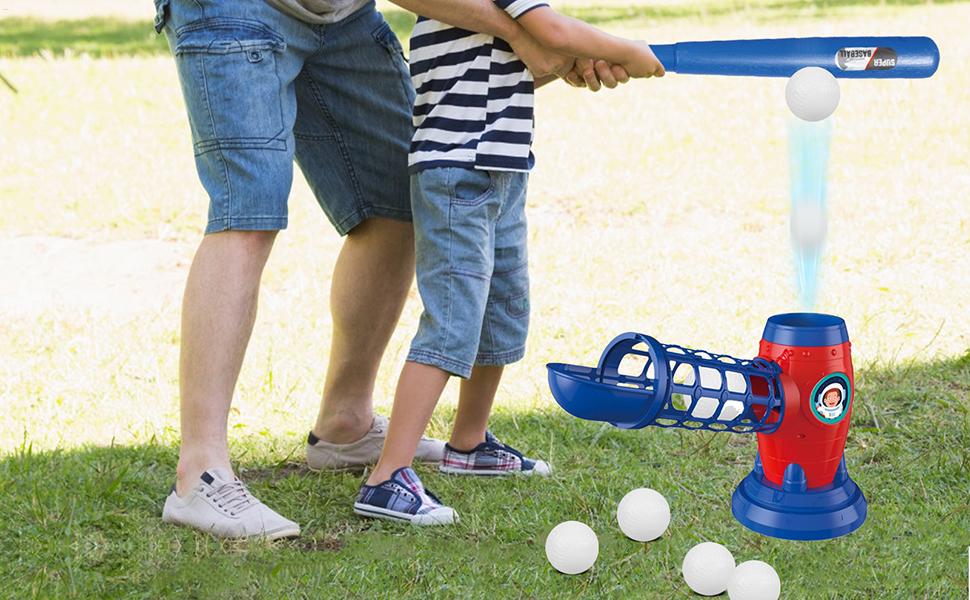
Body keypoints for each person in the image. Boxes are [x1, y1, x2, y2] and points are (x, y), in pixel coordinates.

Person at [152, 0, 630, 539]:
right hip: (234, 8)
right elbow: (533, 28)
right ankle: (201, 473)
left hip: (339, 15)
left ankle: (345, 425)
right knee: (249, 208)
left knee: (399, 203)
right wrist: (522, 35)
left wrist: (546, 48)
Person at [353, 0, 664, 525]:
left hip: (502, 170)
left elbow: (510, 66)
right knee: (453, 320)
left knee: (502, 308)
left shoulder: (480, 15)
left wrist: (570, 65)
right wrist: (631, 51)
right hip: (458, 174)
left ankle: (469, 442)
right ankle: (387, 477)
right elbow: (552, 28)